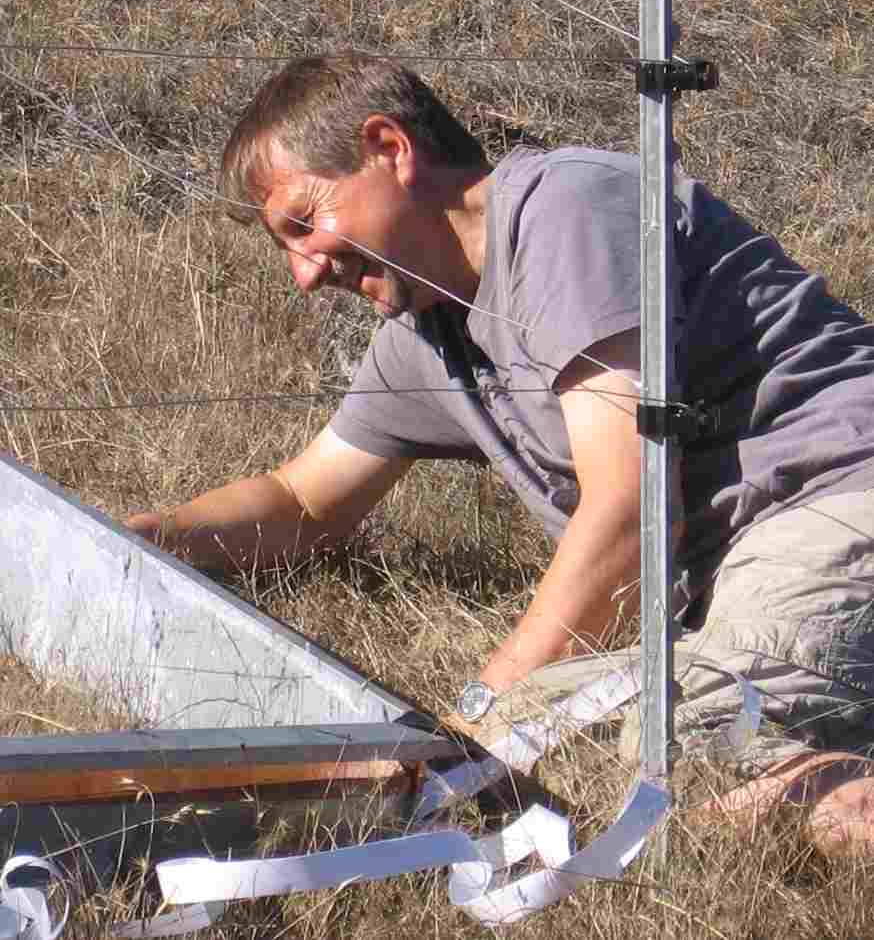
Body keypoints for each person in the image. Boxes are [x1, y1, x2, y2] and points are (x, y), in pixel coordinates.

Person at [127, 54, 874, 853]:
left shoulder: (564, 214)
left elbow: (631, 517)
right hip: (743, 569)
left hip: (832, 499)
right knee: (586, 758)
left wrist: (475, 724)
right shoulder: (428, 329)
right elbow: (306, 501)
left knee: (680, 748)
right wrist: (135, 542)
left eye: (305, 222)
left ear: (389, 147)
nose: (305, 274)